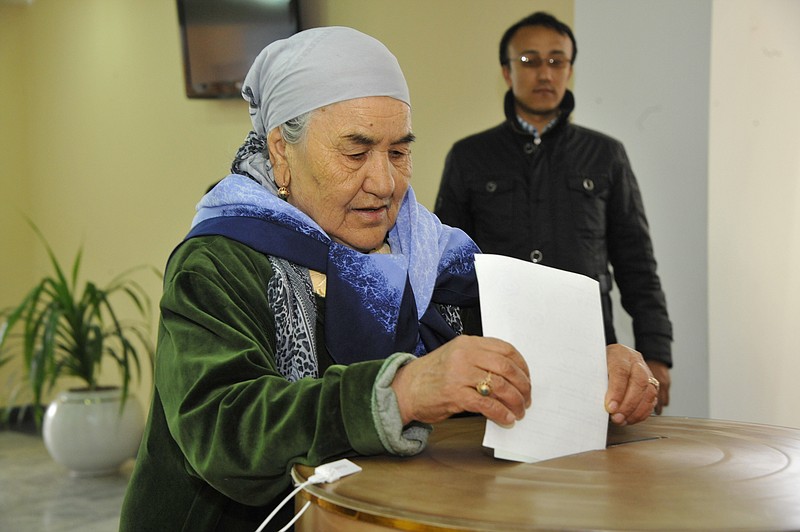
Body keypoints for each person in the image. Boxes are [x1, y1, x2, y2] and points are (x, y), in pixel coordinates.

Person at [120, 26, 660, 532]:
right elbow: (222, 428)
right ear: (282, 150)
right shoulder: (219, 262)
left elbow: (503, 358)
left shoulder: (434, 257)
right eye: (355, 152)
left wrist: (587, 370)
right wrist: (401, 391)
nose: (384, 183)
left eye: (399, 152)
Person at [434, 12, 673, 413]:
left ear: (569, 70)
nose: (544, 73)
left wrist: (657, 353)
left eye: (556, 61)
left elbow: (636, 263)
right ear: (507, 73)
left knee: (590, 472)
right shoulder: (469, 156)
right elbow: (446, 267)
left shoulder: (606, 155)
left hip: (590, 350)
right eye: (529, 61)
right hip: (496, 352)